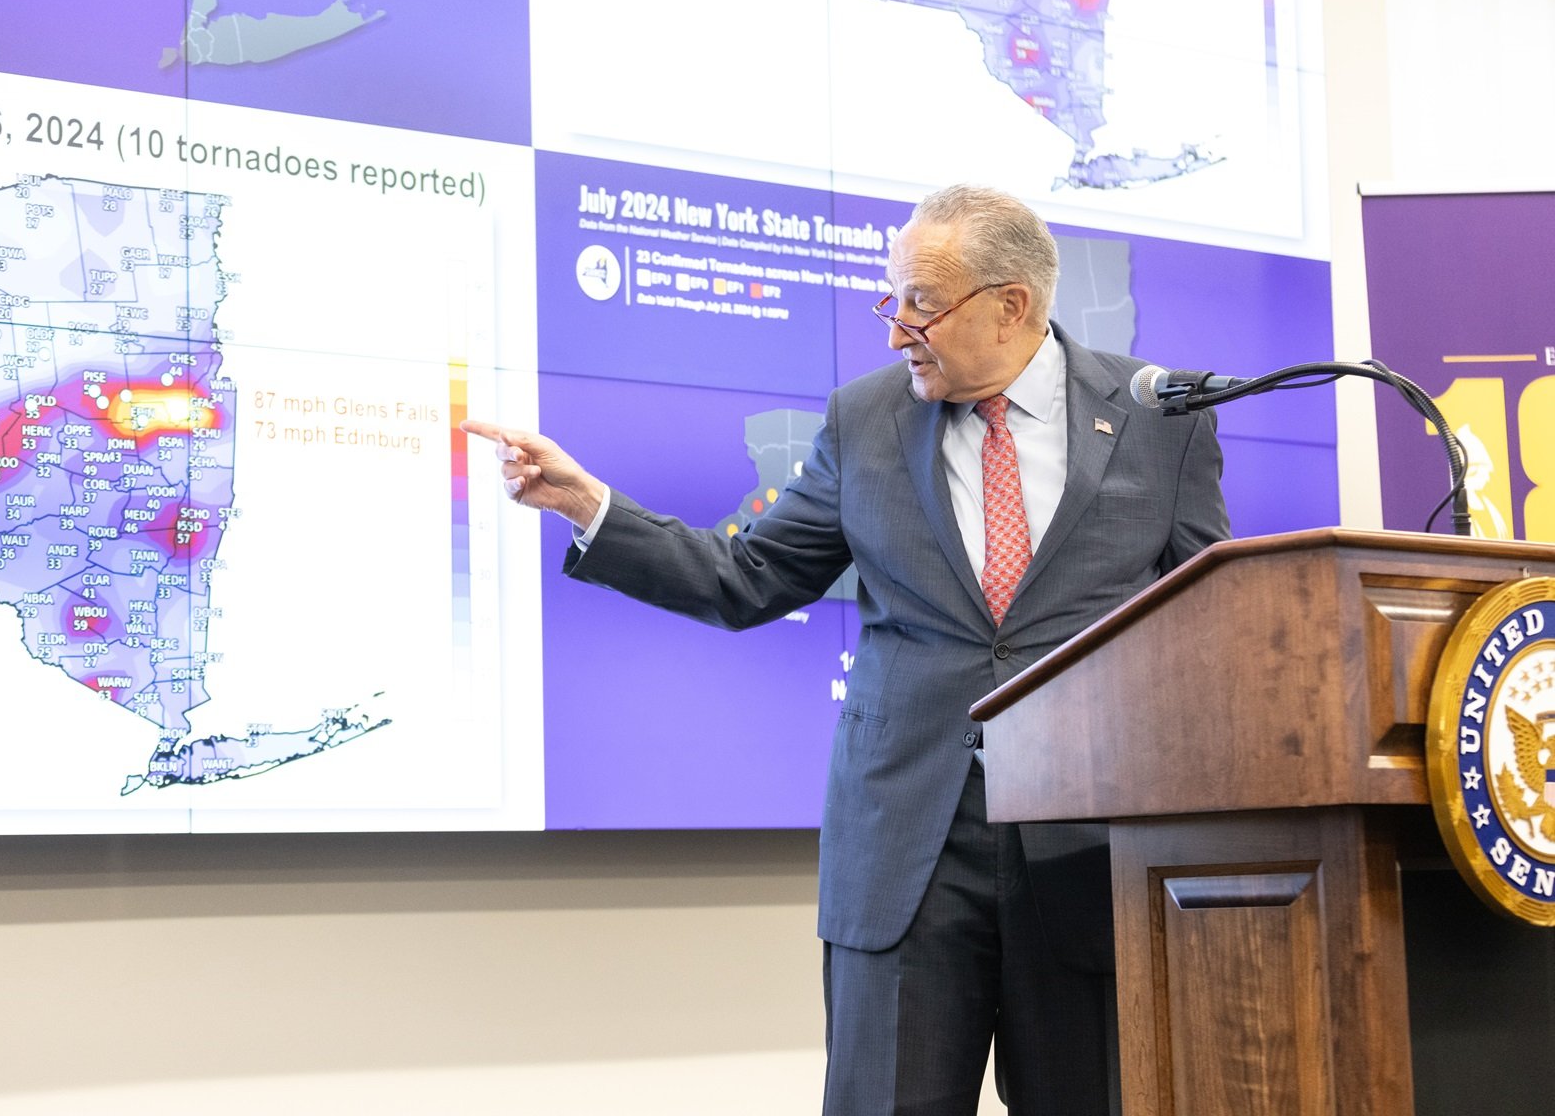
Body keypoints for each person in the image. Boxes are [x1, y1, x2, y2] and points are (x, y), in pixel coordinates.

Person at [463, 184, 1230, 1115]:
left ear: (1011, 305)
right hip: (907, 850)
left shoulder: (1158, 416)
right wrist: (592, 508)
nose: (897, 329)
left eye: (921, 303)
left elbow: (1209, 623)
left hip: (1090, 849)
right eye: (892, 300)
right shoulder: (865, 418)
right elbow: (746, 579)